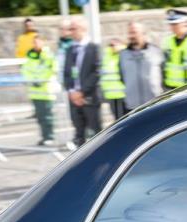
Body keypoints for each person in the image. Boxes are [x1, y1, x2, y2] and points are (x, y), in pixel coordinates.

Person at [63, 17, 102, 147]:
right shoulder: (70, 49)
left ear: (83, 29)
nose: (70, 32)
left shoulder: (94, 48)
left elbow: (96, 72)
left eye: (73, 29)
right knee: (79, 134)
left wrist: (81, 92)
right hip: (73, 98)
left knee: (96, 133)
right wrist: (71, 91)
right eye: (70, 29)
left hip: (89, 97)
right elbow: (66, 73)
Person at [21, 35, 57, 146]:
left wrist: (41, 81)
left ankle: (49, 136)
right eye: (34, 42)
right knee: (40, 117)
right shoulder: (30, 56)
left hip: (46, 91)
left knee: (47, 116)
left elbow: (52, 70)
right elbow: (25, 70)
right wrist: (32, 81)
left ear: (43, 43)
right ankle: (44, 137)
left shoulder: (48, 56)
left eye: (38, 42)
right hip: (35, 92)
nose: (36, 44)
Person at [119, 22, 164, 112]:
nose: (131, 35)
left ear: (144, 33)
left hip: (155, 102)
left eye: (134, 32)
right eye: (130, 33)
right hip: (132, 105)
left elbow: (164, 73)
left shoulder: (156, 51)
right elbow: (122, 76)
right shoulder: (123, 54)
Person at [100, 38, 127, 119]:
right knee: (117, 119)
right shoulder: (106, 56)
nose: (112, 47)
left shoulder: (124, 54)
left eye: (114, 45)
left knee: (125, 118)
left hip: (124, 94)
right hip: (111, 95)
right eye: (110, 45)